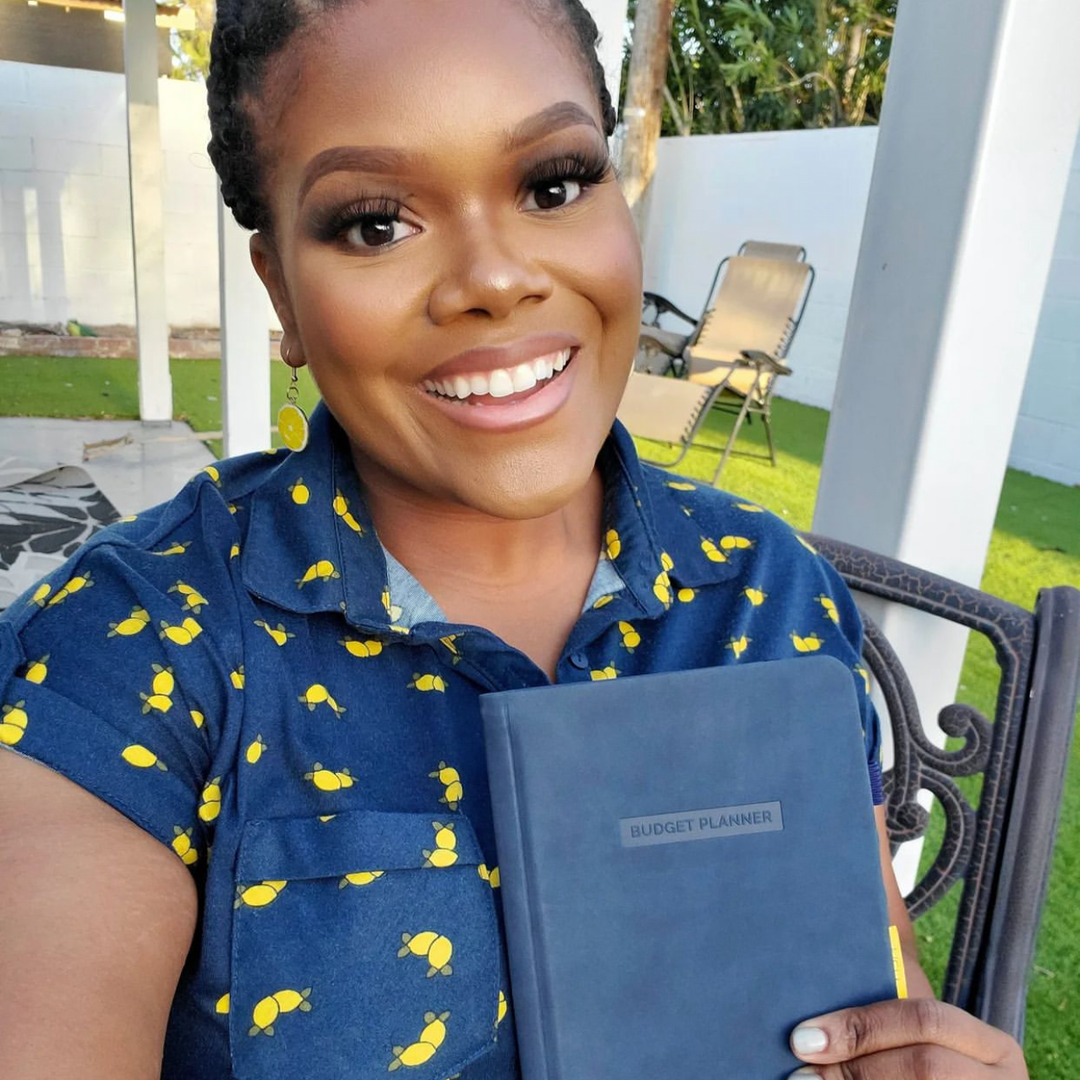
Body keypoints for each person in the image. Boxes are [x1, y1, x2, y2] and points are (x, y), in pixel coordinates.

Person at [0, 1, 1029, 1078]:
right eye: (375, 223)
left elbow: (870, 1005)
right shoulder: (140, 642)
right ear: (282, 296)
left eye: (551, 184)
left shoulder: (767, 596)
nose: (495, 279)